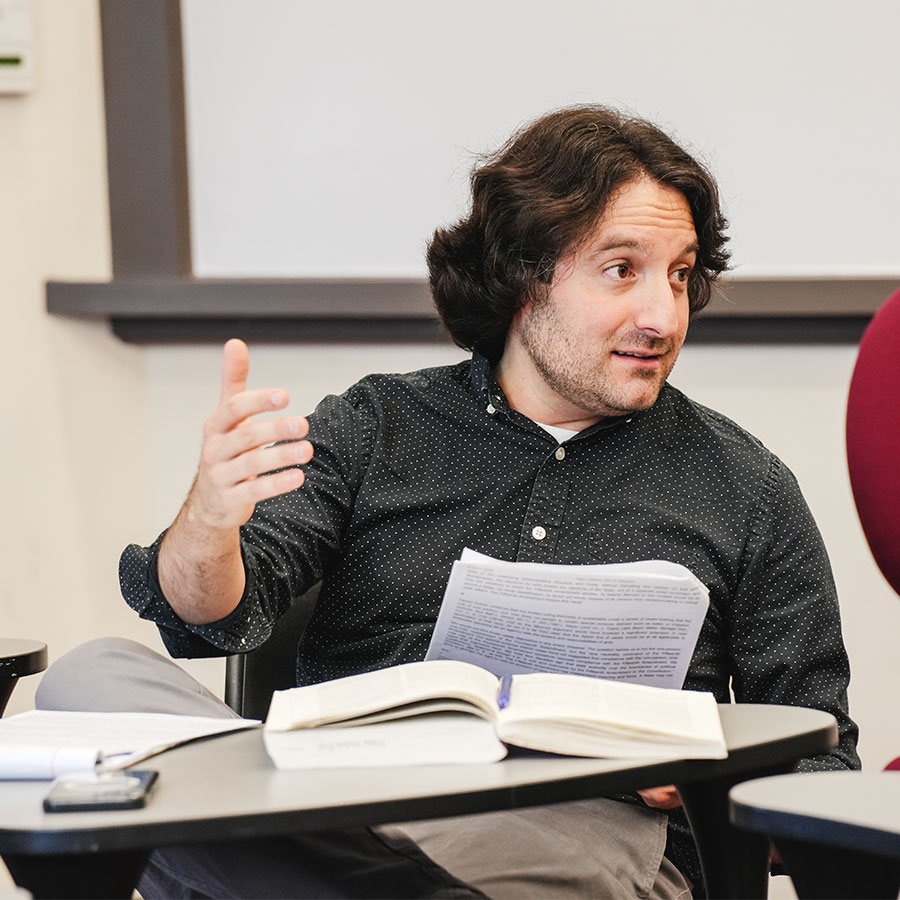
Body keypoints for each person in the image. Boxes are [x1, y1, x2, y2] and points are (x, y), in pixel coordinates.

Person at [38, 104, 859, 899]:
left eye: (680, 276)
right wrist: (211, 522)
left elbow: (821, 769)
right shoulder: (375, 427)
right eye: (622, 271)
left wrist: (696, 772)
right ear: (522, 280)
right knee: (90, 678)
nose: (662, 315)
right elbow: (213, 617)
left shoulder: (745, 486)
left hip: (574, 835)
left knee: (165, 830)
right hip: (336, 802)